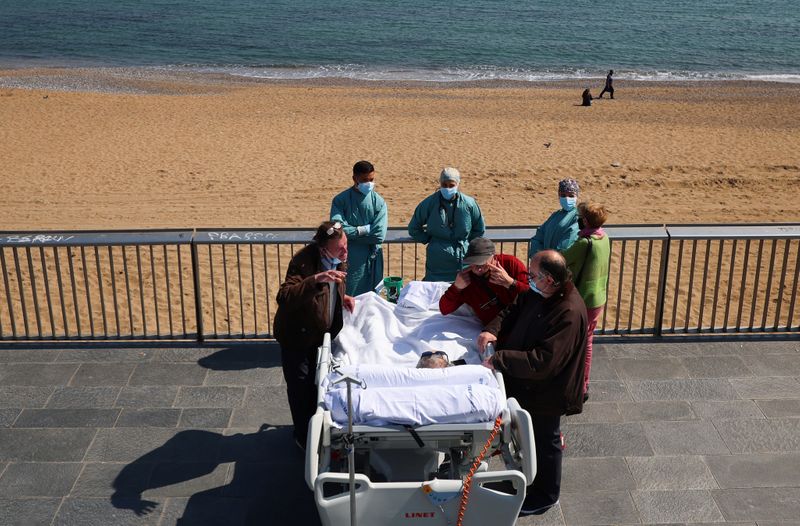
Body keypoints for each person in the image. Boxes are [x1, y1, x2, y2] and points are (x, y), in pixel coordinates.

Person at [477, 250, 587, 516]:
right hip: (527, 386)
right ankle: (525, 481)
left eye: (533, 274)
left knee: (545, 440)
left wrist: (500, 359)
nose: (529, 278)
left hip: (547, 393)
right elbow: (514, 307)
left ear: (549, 279)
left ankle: (546, 494)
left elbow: (543, 362)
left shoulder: (568, 312)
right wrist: (492, 329)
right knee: (527, 440)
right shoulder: (541, 294)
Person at [273, 221, 356, 450]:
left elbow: (336, 282)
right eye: (340, 248)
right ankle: (304, 438)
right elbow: (285, 296)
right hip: (297, 338)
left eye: (346, 245)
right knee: (301, 390)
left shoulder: (339, 257)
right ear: (323, 248)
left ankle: (317, 430)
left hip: (321, 336)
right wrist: (317, 279)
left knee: (318, 385)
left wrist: (343, 297)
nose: (345, 252)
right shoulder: (303, 261)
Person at [562, 202, 610, 400]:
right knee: (587, 341)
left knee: (578, 342)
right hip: (598, 296)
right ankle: (583, 385)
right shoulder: (604, 237)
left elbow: (564, 257)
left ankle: (578, 385)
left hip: (584, 298)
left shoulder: (584, 243)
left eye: (581, 217)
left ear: (586, 220)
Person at [408, 167, 485, 281]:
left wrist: (467, 244)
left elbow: (479, 229)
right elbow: (414, 228)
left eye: (451, 185)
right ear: (440, 183)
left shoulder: (469, 204)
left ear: (457, 184)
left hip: (463, 260)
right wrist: (430, 239)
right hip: (437, 263)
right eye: (444, 185)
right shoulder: (429, 203)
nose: (447, 188)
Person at [439, 237, 529, 325]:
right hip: (494, 330)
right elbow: (444, 309)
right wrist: (456, 288)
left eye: (482, 263)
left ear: (493, 257)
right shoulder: (467, 279)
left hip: (522, 321)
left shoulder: (510, 263)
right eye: (474, 263)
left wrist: (510, 283)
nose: (478, 269)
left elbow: (533, 297)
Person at [330, 160, 388, 296]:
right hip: (350, 260)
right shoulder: (340, 200)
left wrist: (352, 235)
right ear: (354, 178)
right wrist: (364, 230)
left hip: (372, 260)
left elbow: (379, 235)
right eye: (364, 180)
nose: (369, 183)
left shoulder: (379, 202)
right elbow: (337, 228)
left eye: (371, 179)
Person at [528, 178, 581, 260]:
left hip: (561, 265)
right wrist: (538, 257)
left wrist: (551, 260)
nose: (567, 198)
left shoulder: (578, 217)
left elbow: (567, 243)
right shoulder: (555, 215)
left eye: (571, 195)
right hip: (545, 263)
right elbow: (539, 236)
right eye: (563, 195)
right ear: (559, 196)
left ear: (577, 196)